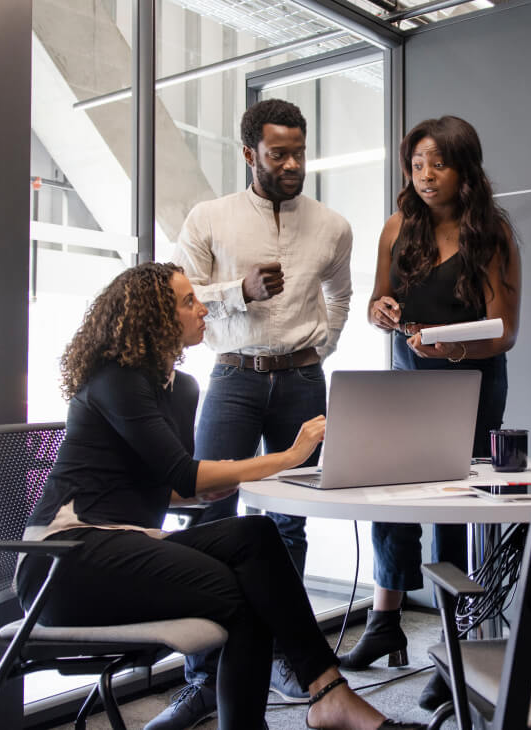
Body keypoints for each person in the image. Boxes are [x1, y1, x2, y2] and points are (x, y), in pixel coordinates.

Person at [15, 263, 421, 730]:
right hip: (64, 563)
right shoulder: (116, 379)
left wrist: (217, 482)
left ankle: (327, 692)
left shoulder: (178, 386)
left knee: (257, 536)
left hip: (125, 542)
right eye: (188, 301)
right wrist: (291, 456)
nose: (203, 307)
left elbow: (169, 488)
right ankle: (326, 696)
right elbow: (185, 475)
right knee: (249, 591)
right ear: (154, 317)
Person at [166, 98, 353, 724]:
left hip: (301, 380)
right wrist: (236, 293)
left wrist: (317, 348)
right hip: (233, 377)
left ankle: (278, 648)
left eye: (300, 151)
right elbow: (182, 300)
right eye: (279, 154)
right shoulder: (209, 217)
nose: (293, 163)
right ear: (249, 153)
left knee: (290, 521)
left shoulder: (331, 225)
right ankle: (200, 676)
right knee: (210, 514)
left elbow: (340, 296)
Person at [342, 116, 521, 711]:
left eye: (437, 164)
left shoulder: (491, 233)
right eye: (416, 164)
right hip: (408, 382)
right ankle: (386, 620)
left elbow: (506, 332)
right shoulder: (398, 227)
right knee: (389, 494)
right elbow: (373, 303)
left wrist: (454, 348)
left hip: (469, 383)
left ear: (464, 169)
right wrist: (382, 311)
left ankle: (453, 648)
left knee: (453, 512)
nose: (424, 176)